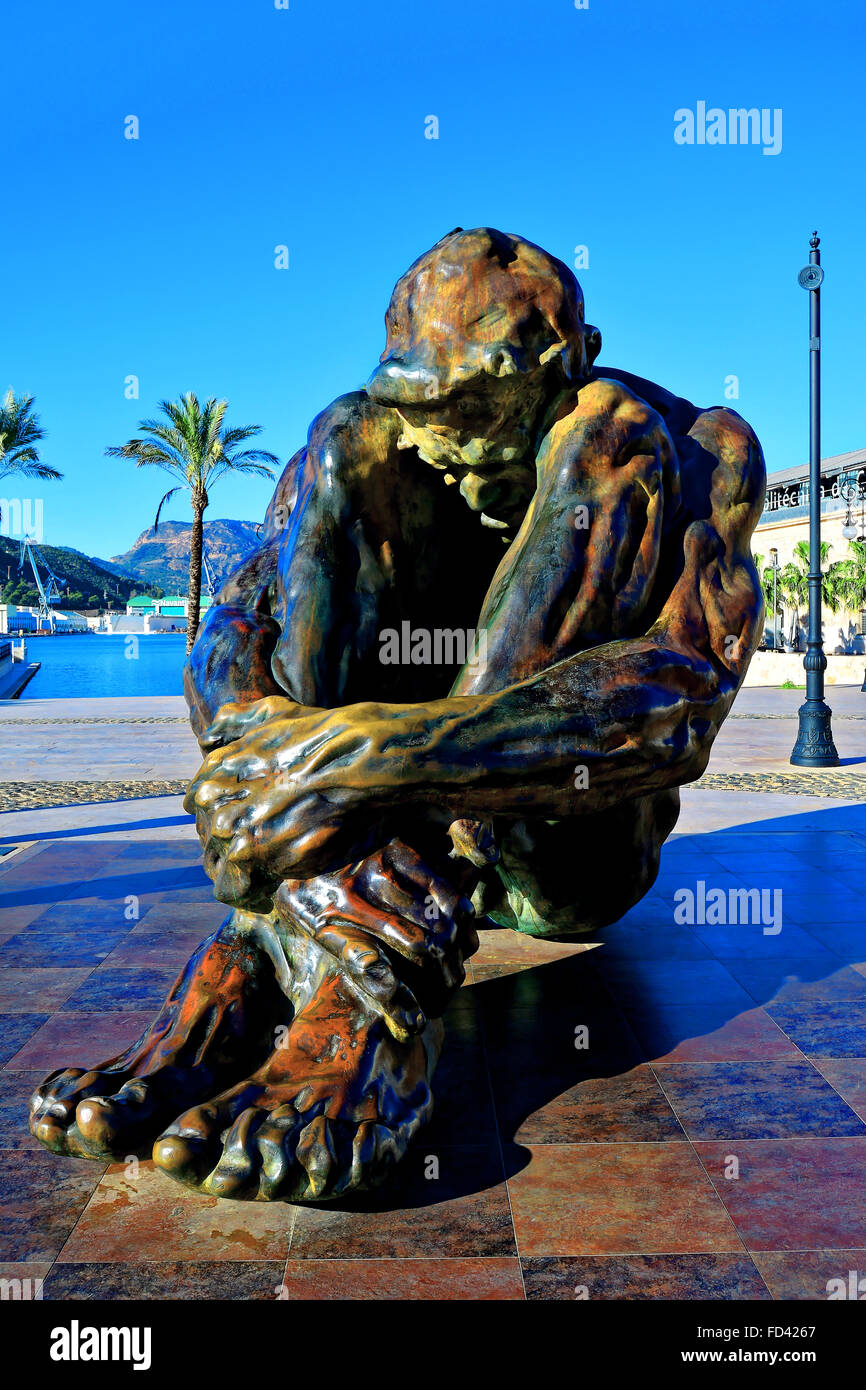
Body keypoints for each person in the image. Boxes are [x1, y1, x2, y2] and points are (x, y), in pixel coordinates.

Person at [31, 228, 765, 1201]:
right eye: (419, 402)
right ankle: (251, 954)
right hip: (369, 841)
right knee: (343, 445)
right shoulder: (375, 441)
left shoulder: (695, 451)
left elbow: (669, 701)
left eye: (471, 409)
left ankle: (364, 1008)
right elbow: (238, 622)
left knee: (605, 451)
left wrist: (360, 757)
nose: (438, 440)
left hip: (562, 861)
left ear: (564, 361)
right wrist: (270, 750)